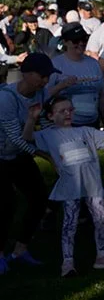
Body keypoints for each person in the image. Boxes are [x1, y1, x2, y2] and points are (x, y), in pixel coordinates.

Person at [31, 95, 104, 275]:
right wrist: (31, 119)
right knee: (70, 222)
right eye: (63, 111)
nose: (68, 113)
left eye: (70, 110)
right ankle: (68, 262)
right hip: (70, 188)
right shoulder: (47, 135)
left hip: (92, 186)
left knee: (101, 219)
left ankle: (103, 255)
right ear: (51, 116)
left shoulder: (85, 131)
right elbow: (26, 137)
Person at [0, 53, 54, 273]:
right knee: (5, 204)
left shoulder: (40, 95)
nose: (45, 81)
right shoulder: (5, 98)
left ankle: (21, 249)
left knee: (39, 197)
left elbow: (41, 126)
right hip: (1, 156)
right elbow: (16, 138)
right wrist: (47, 156)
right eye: (42, 76)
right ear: (27, 73)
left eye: (47, 76)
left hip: (19, 157)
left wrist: (58, 144)